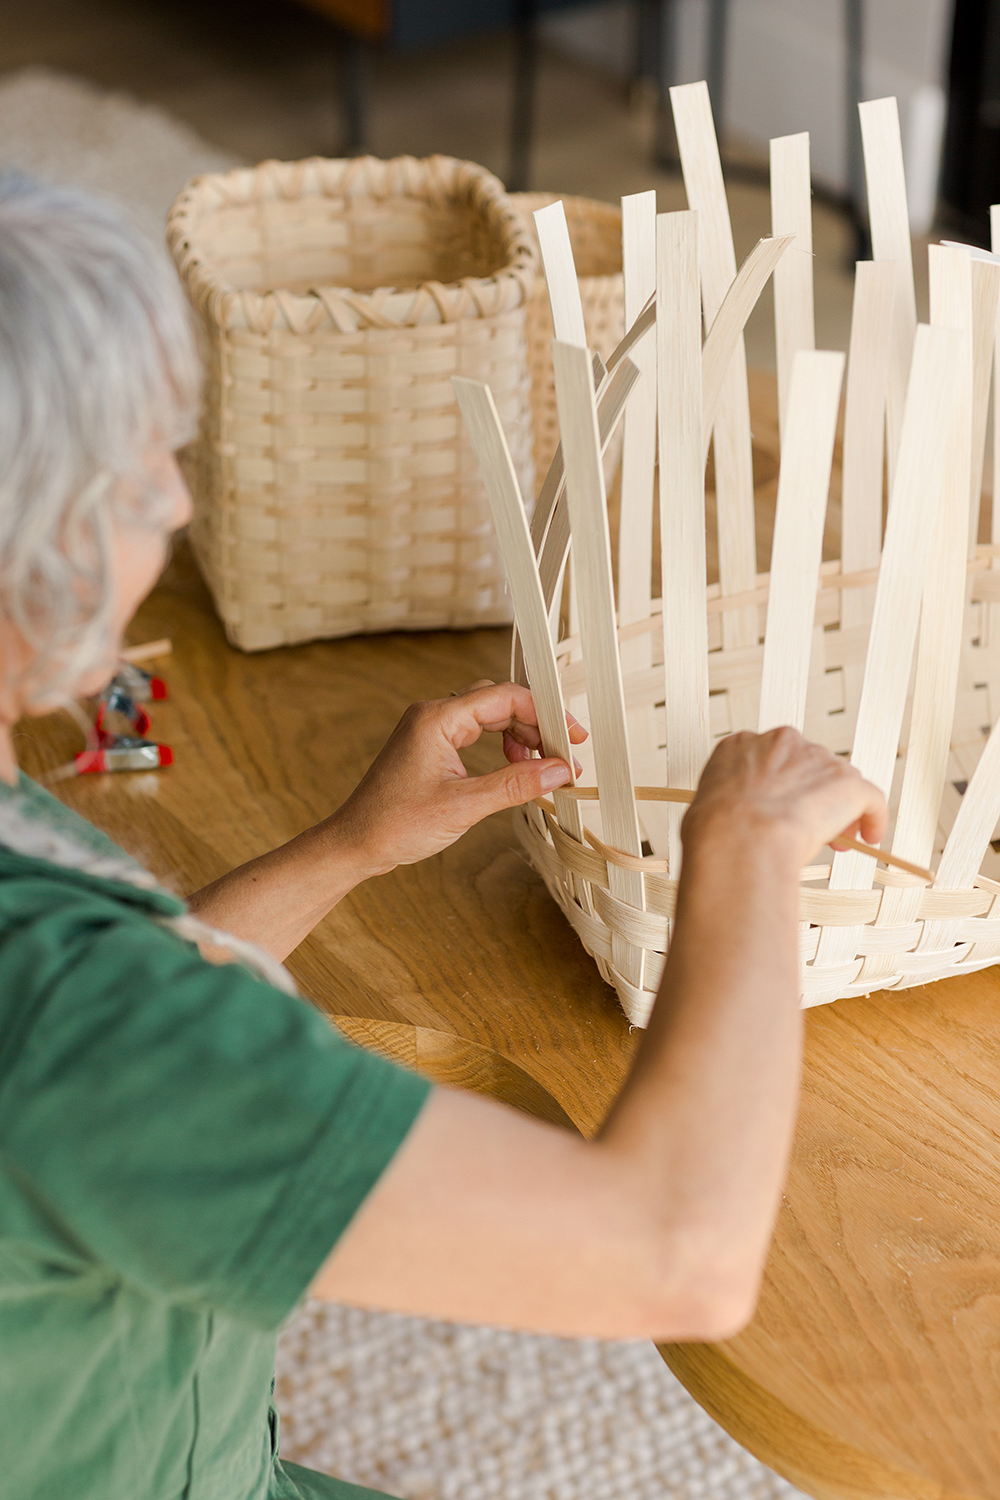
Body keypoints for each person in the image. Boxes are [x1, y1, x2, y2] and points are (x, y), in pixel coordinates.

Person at [0, 172, 886, 1500]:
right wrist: (746, 842)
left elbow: (120, 1054)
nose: (178, 507)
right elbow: (674, 1253)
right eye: (133, 476)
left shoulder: (64, 980)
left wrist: (347, 847)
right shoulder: (72, 1026)